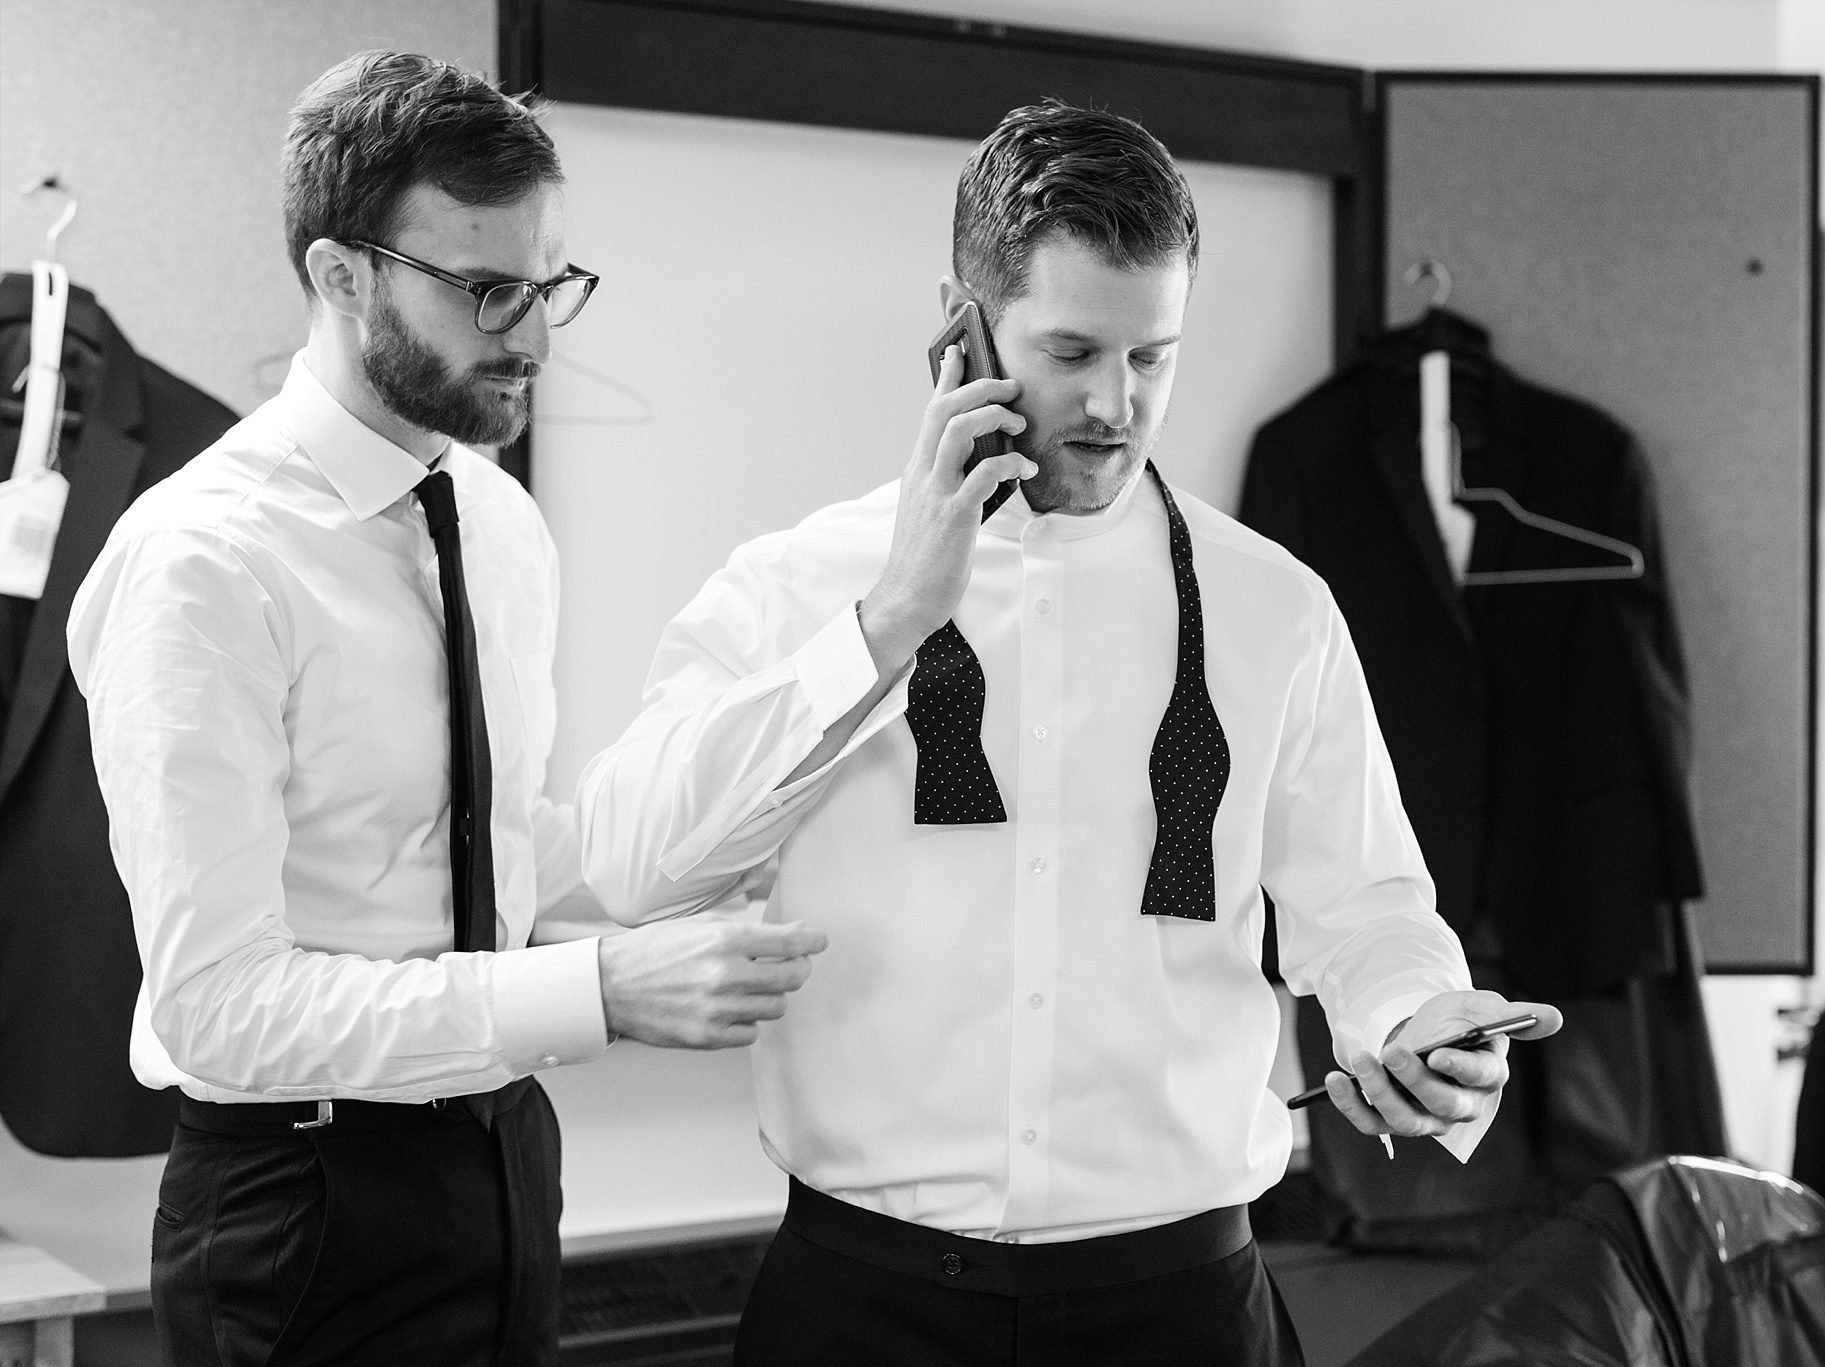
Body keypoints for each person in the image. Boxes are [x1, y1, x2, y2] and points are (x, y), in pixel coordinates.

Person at [579, 100, 1560, 1365]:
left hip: (1182, 1305)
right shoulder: (795, 589)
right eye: (1070, 351)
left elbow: (1364, 908)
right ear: (960, 323)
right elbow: (634, 865)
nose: (1114, 403)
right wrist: (881, 629)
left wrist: (1415, 1020)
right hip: (862, 1305)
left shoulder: (1275, 607)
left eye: (1152, 356)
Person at [65, 53, 826, 1366]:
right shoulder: (200, 561)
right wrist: (595, 986)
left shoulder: (499, 520)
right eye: (485, 290)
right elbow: (220, 1005)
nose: (532, 337)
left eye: (547, 286)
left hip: (506, 1160)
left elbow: (489, 847)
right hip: (301, 1204)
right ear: (341, 276)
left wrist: (715, 830)